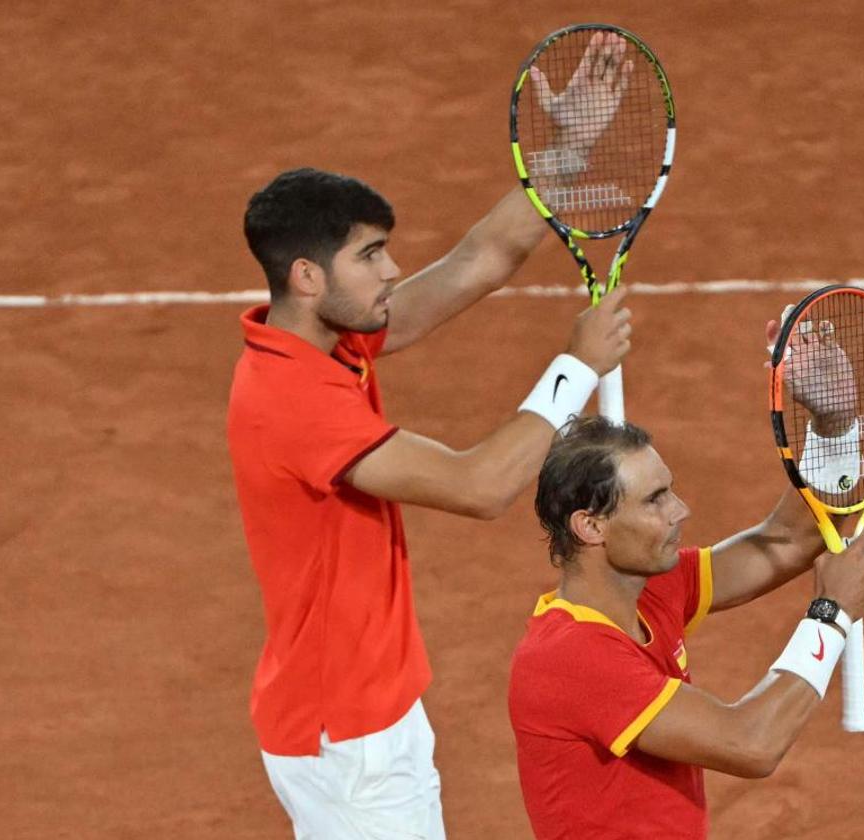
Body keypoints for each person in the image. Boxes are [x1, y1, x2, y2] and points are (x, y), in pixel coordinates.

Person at [227, 32, 636, 840]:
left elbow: (483, 256)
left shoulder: (321, 340)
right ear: (307, 277)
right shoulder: (294, 398)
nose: (390, 273)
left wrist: (564, 151)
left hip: (359, 715)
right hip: (348, 740)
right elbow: (478, 485)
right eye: (370, 255)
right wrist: (572, 370)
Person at [507, 321, 864, 839]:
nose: (680, 509)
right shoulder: (570, 658)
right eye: (654, 499)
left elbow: (788, 542)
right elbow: (750, 743)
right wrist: (831, 615)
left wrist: (835, 426)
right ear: (591, 526)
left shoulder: (647, 586)